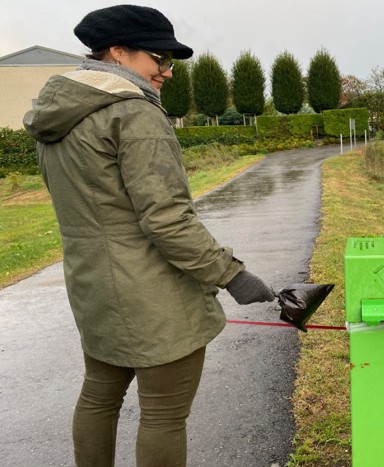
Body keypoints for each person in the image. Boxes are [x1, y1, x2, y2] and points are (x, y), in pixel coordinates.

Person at [23, 5, 276, 466]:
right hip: (151, 295)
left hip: (92, 285)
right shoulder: (133, 113)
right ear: (118, 52)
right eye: (158, 58)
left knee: (99, 396)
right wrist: (233, 276)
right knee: (163, 415)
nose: (167, 71)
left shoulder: (55, 116)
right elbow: (167, 219)